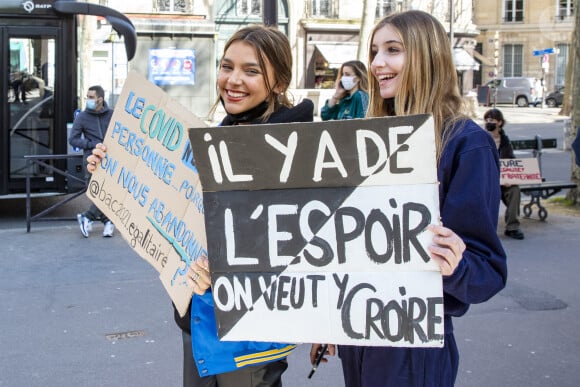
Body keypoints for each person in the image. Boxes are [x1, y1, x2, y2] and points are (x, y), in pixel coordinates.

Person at [88, 25, 314, 386]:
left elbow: (310, 247)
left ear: (280, 83)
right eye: (227, 67)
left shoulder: (300, 151)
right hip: (198, 317)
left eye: (251, 71)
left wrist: (230, 270)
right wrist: (112, 165)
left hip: (248, 336)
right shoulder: (218, 138)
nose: (233, 80)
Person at [310, 10, 507, 387]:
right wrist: (332, 318)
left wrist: (456, 265)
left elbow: (488, 272)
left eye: (392, 50)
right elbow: (350, 249)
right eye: (374, 51)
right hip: (360, 334)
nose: (377, 63)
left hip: (414, 349)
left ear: (427, 56)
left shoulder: (467, 145)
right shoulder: (366, 141)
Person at [69, 85, 115, 238]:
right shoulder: (82, 117)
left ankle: (88, 217)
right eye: (87, 97)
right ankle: (107, 221)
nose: (87, 100)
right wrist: (92, 145)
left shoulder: (112, 115)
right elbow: (73, 140)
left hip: (111, 161)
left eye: (90, 97)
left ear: (100, 100)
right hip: (91, 160)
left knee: (107, 193)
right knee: (96, 194)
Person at [483, 108, 525, 240]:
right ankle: (485, 230)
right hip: (486, 180)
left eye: (492, 120)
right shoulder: (481, 138)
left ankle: (512, 227)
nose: (489, 122)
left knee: (514, 190)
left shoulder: (505, 141)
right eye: (487, 120)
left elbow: (511, 161)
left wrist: (509, 178)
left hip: (502, 180)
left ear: (499, 122)